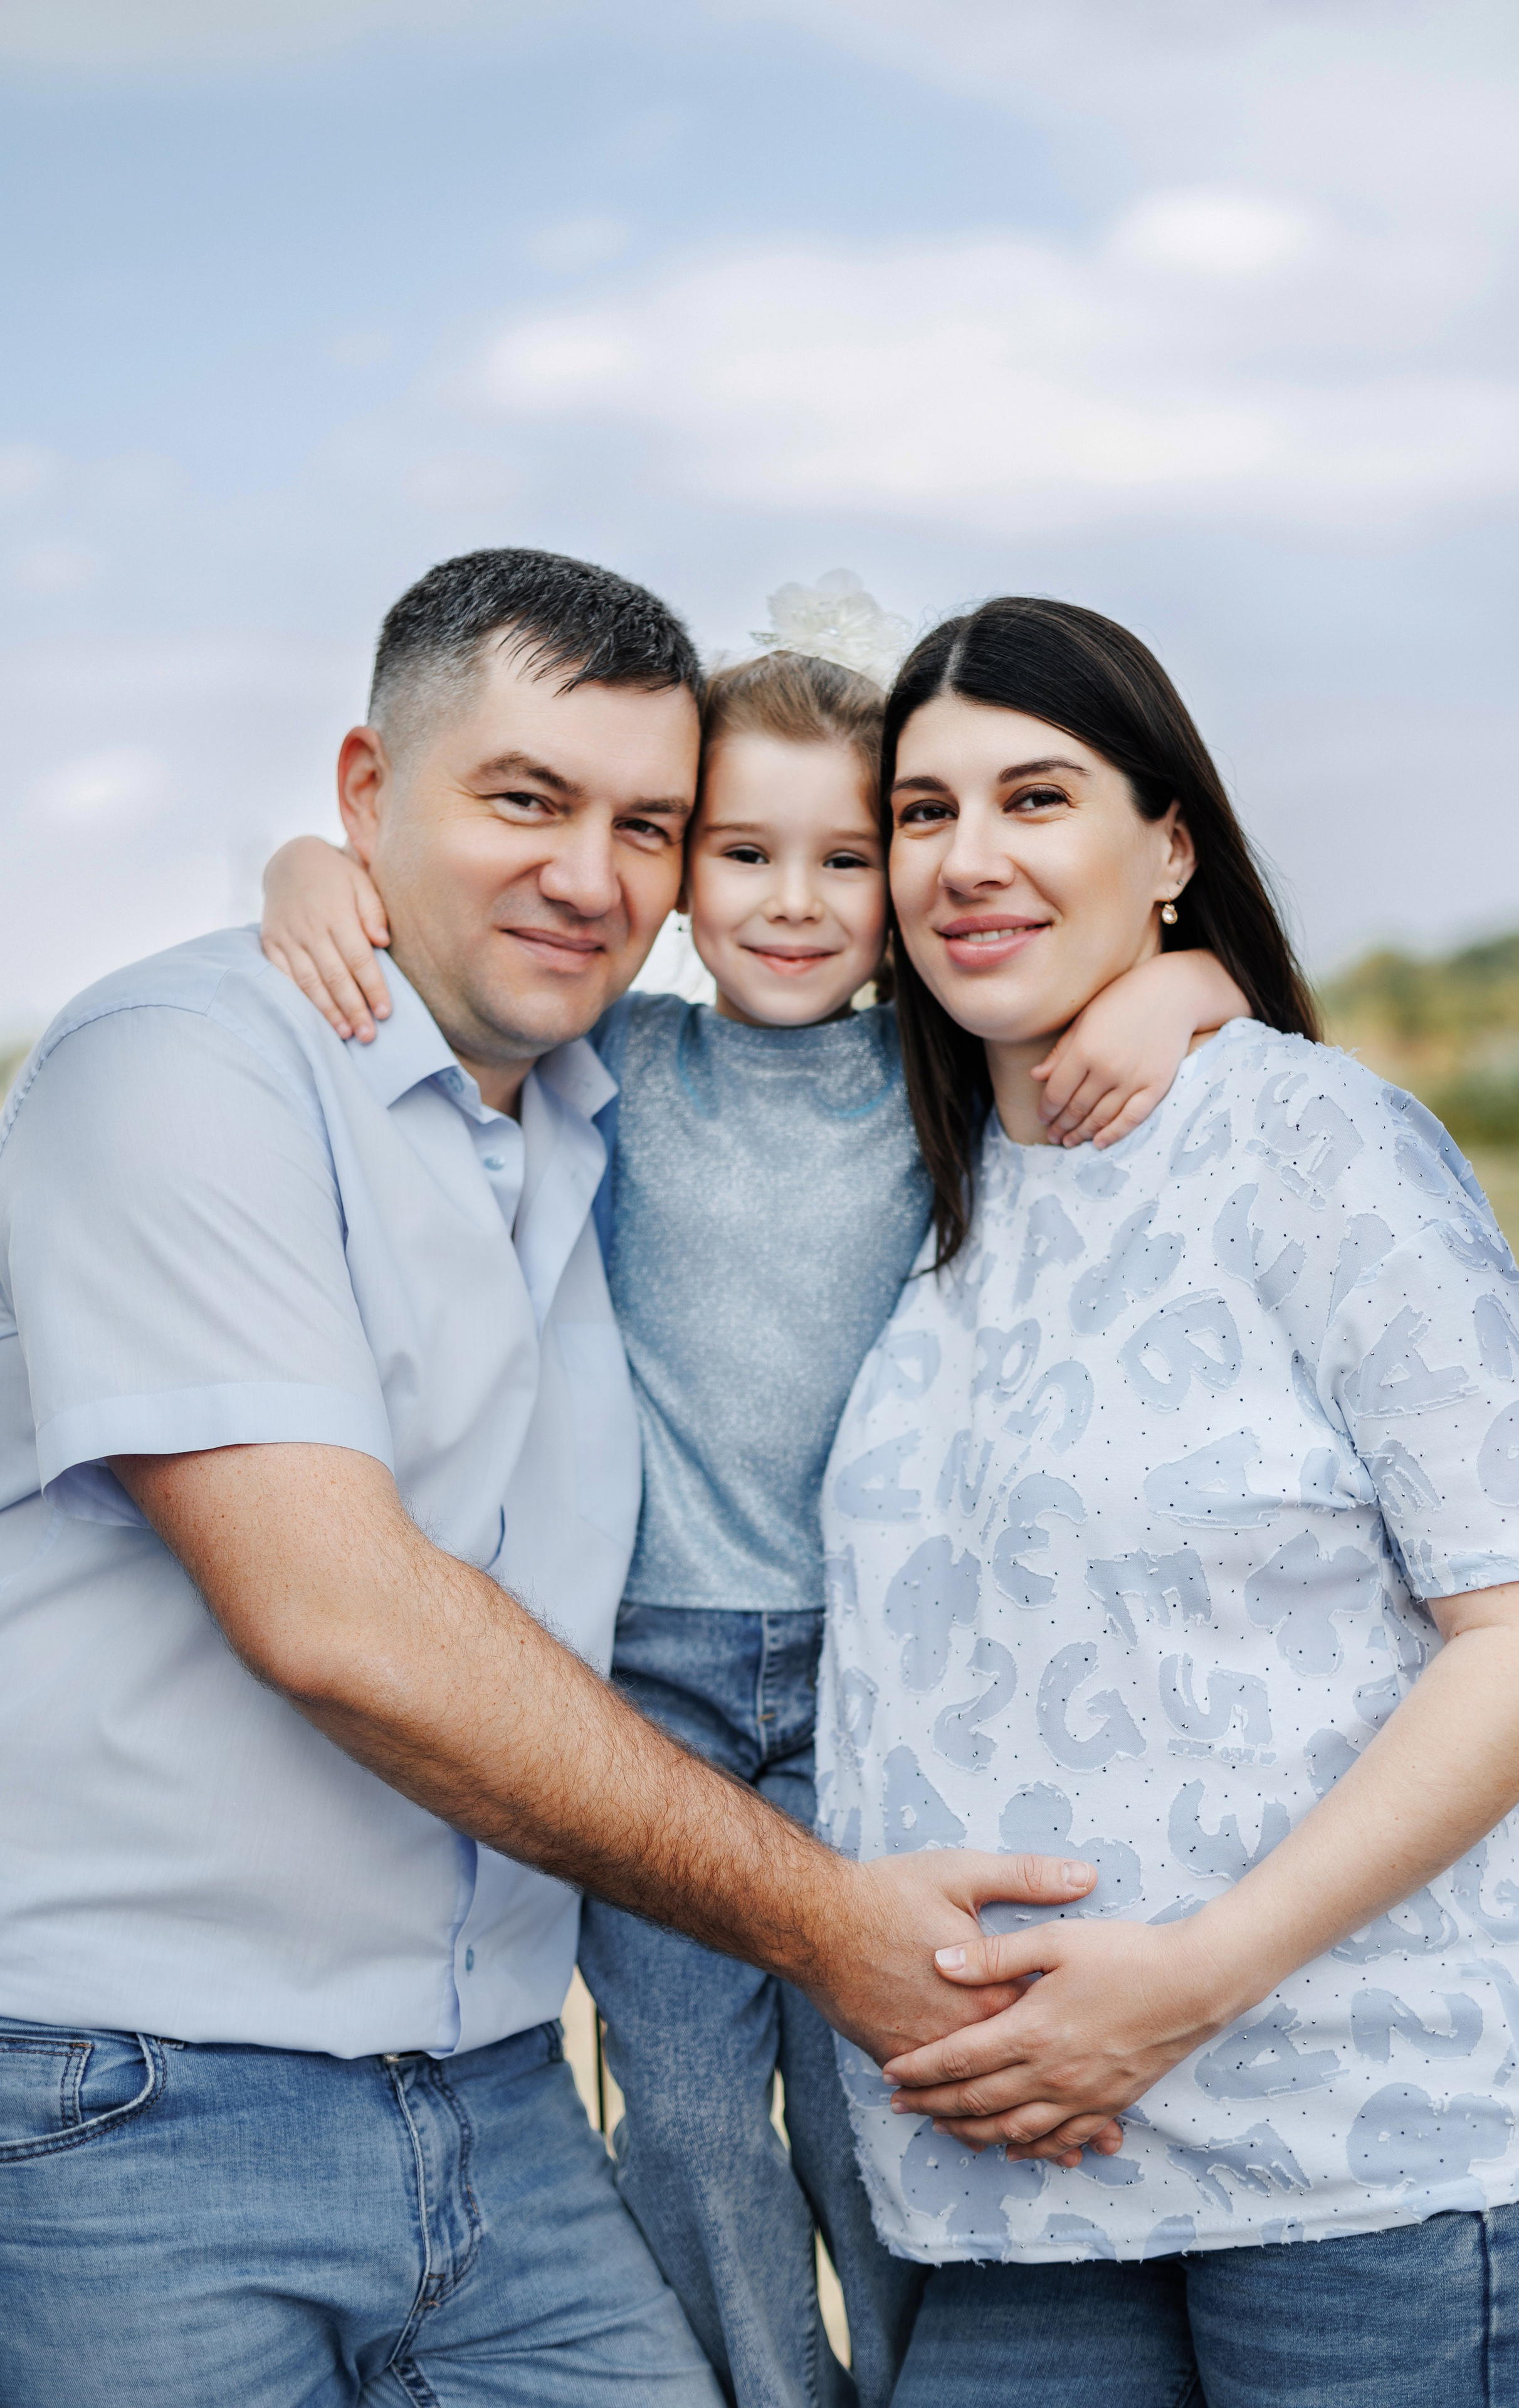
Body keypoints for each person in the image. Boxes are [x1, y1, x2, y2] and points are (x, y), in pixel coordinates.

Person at [0, 550, 1103, 2408]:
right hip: (146, 2095)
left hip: (500, 2103)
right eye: (523, 800)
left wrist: (1175, 982)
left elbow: (1021, 997)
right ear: (365, 793)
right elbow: (337, 1620)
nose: (591, 875)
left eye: (644, 826)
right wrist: (824, 1918)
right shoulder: (187, 1067)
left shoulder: (587, 1106)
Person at [260, 588, 1249, 2408]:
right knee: (697, 2119)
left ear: (900, 882)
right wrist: (307, 877)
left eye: (844, 856)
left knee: (889, 2110)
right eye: (738, 851)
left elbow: (1153, 985)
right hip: (652, 1690)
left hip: (889, 1687)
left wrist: (1193, 980)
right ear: (679, 868)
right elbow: (397, 941)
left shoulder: (950, 1078)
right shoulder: (609, 1059)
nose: (791, 904)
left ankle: (922, 2384)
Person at [816, 596, 1519, 2407]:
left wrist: (1193, 1977)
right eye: (922, 815)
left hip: (1380, 2155)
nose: (970, 858)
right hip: (1031, 2184)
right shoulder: (920, 1194)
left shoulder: (1309, 1143)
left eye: (1037, 797)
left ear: (1169, 846)